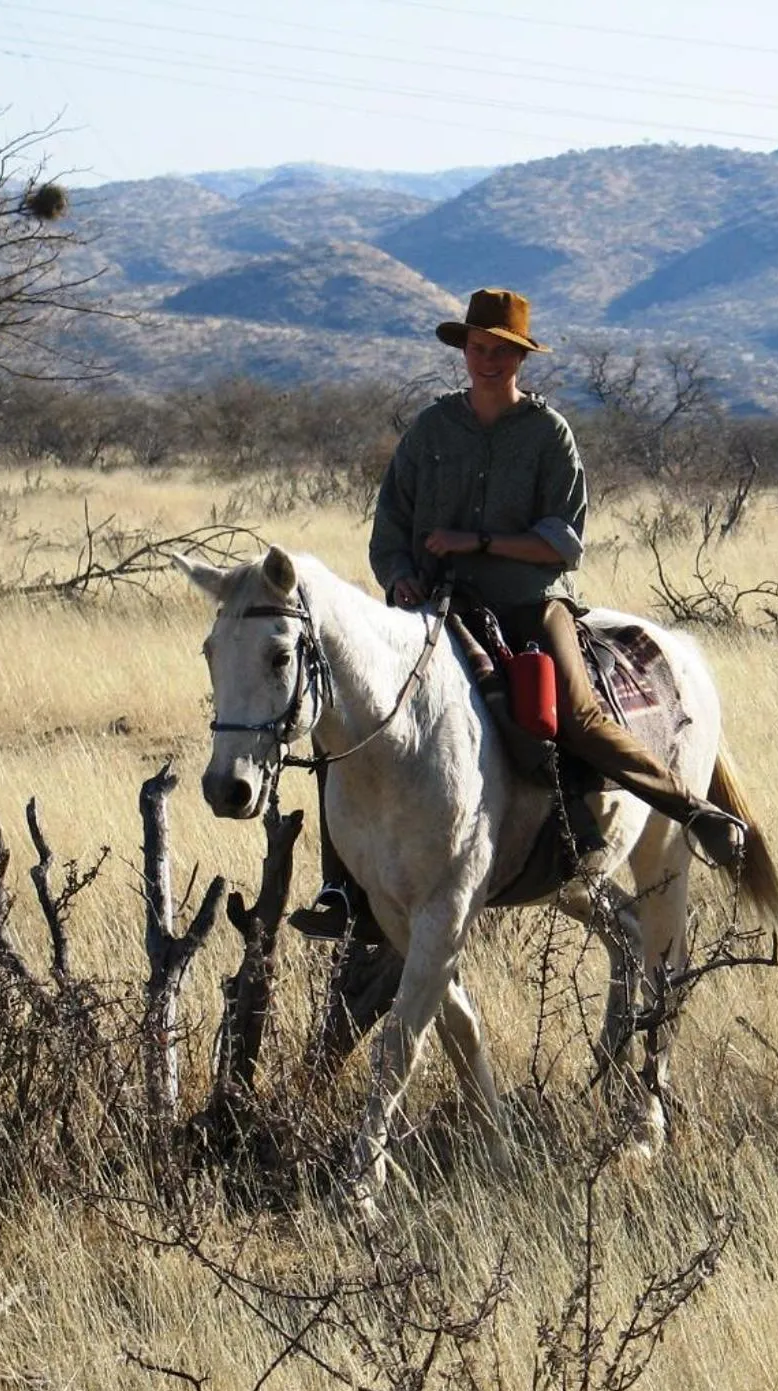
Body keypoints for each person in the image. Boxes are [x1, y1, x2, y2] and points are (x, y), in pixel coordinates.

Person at [289, 287, 745, 941]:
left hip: (531, 601)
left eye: (501, 352)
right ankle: (344, 888)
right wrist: (402, 578)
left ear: (519, 358)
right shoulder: (431, 431)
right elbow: (390, 528)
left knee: (573, 711)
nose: (488, 361)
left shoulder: (547, 434)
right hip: (435, 608)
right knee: (344, 721)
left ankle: (691, 813)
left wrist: (479, 543)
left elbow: (562, 541)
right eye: (479, 348)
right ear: (465, 350)